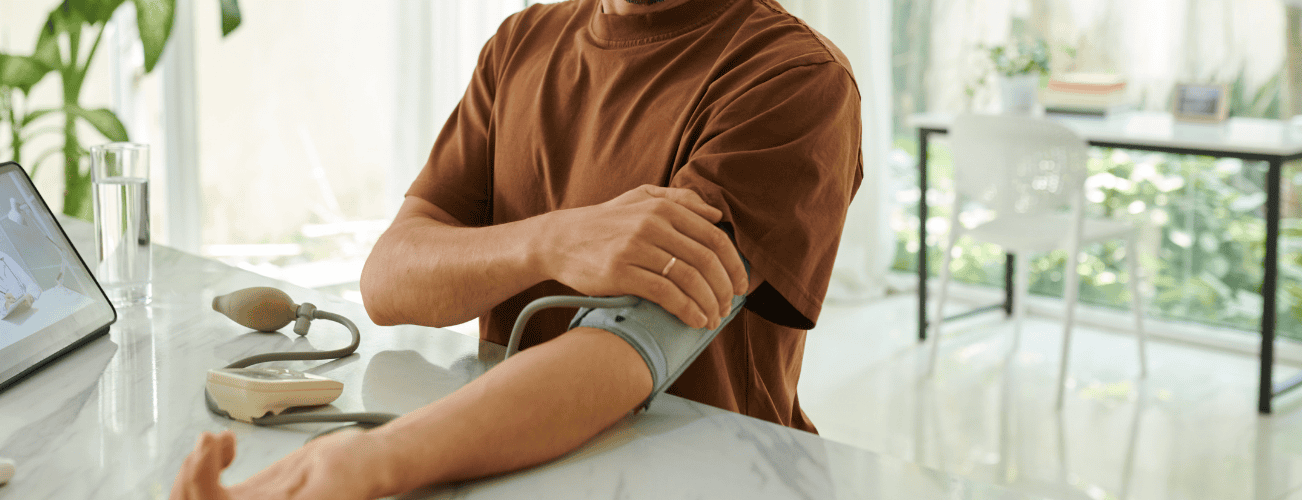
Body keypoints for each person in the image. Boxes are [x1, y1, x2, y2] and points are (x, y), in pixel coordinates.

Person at [171, 0, 861, 497]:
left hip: (707, 473)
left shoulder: (793, 78)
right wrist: (552, 242)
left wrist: (374, 460)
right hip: (506, 450)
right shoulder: (522, 42)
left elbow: (631, 347)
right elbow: (391, 279)